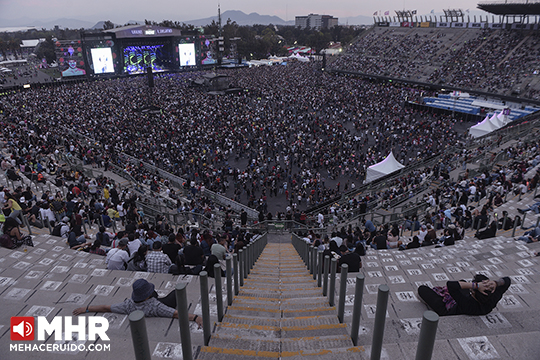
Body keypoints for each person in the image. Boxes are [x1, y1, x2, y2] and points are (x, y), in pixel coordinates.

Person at [72, 279, 203, 327]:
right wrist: (196, 317)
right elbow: (175, 314)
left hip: (147, 303)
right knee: (175, 293)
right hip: (161, 304)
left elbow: (106, 308)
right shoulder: (156, 306)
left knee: (156, 294)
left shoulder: (127, 305)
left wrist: (87, 308)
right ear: (147, 296)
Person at [418, 274, 511, 316]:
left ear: (473, 291)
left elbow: (450, 285)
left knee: (422, 289)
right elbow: (507, 280)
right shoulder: (493, 298)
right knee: (462, 282)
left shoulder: (467, 303)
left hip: (449, 310)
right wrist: (496, 283)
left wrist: (476, 285)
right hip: (466, 302)